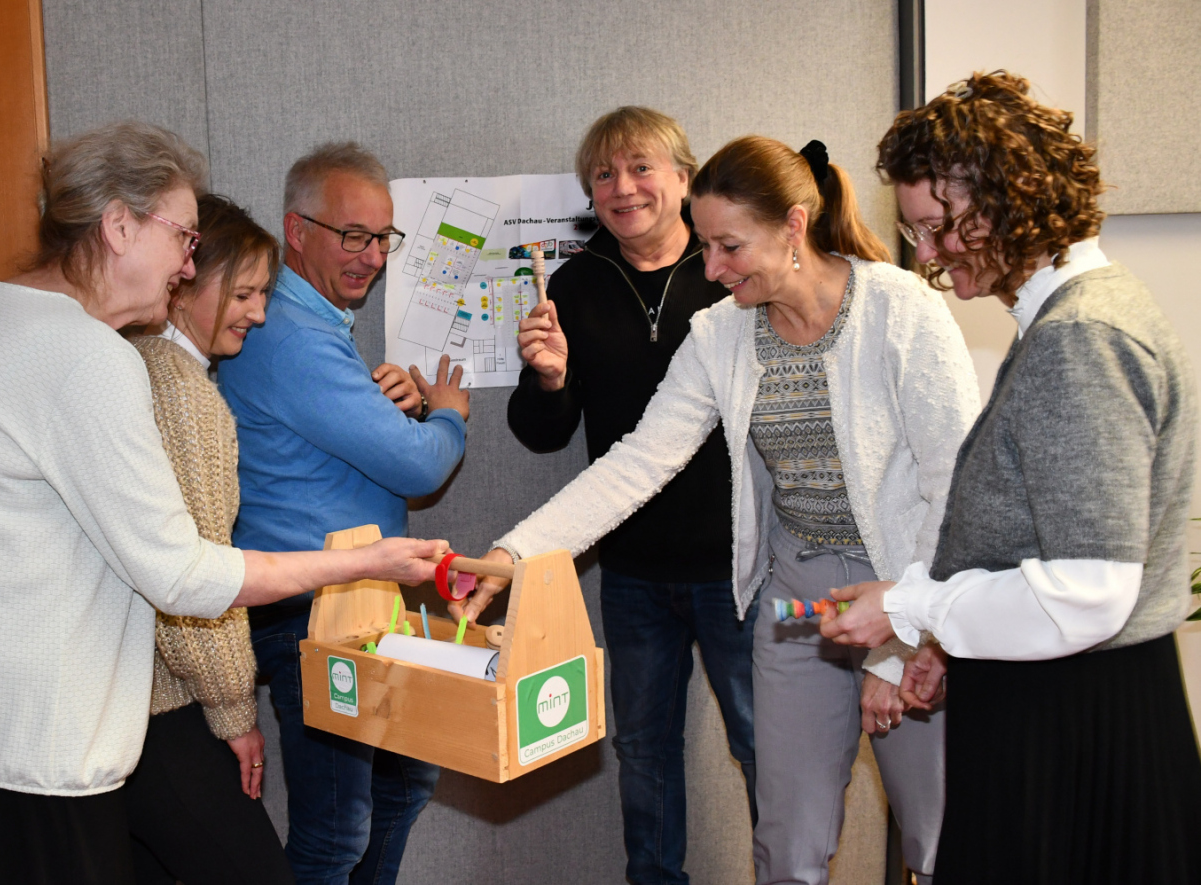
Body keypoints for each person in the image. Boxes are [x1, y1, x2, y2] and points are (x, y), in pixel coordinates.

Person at [0, 121, 446, 885]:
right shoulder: (89, 360)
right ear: (119, 225)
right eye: (182, 235)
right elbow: (182, 576)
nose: (189, 261)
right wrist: (363, 560)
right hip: (34, 750)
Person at [465, 135, 980, 885]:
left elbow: (955, 488)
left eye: (729, 246)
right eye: (705, 246)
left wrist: (905, 635)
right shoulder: (722, 333)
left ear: (795, 225)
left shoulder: (901, 311)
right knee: (786, 844)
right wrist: (516, 552)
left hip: (909, 591)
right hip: (799, 606)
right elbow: (638, 462)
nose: (710, 269)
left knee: (935, 834)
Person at [822, 71, 1201, 884]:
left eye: (935, 227)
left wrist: (911, 603)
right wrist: (956, 643)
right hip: (1059, 702)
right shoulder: (1071, 319)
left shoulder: (1083, 338)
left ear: (1001, 206)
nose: (923, 254)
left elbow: (1089, 587)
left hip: (1078, 728)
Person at [506, 106, 754, 885]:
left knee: (762, 739)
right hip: (633, 571)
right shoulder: (576, 284)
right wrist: (548, 378)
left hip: (737, 569)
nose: (623, 187)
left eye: (641, 166)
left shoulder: (731, 276)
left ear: (684, 176)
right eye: (604, 174)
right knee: (643, 749)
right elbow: (543, 433)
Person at [218, 141, 470, 885]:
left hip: (354, 606)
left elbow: (355, 440)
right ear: (296, 232)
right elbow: (418, 464)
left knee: (403, 784)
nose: (371, 256)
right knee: (334, 832)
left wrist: (404, 405)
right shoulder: (291, 332)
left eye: (382, 238)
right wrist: (448, 415)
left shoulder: (316, 324)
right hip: (311, 612)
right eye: (351, 235)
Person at [123, 194, 295, 884]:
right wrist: (233, 710)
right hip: (169, 708)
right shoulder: (184, 394)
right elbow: (198, 573)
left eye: (263, 294)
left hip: (123, 705)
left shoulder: (135, 362)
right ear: (188, 277)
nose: (257, 312)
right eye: (245, 292)